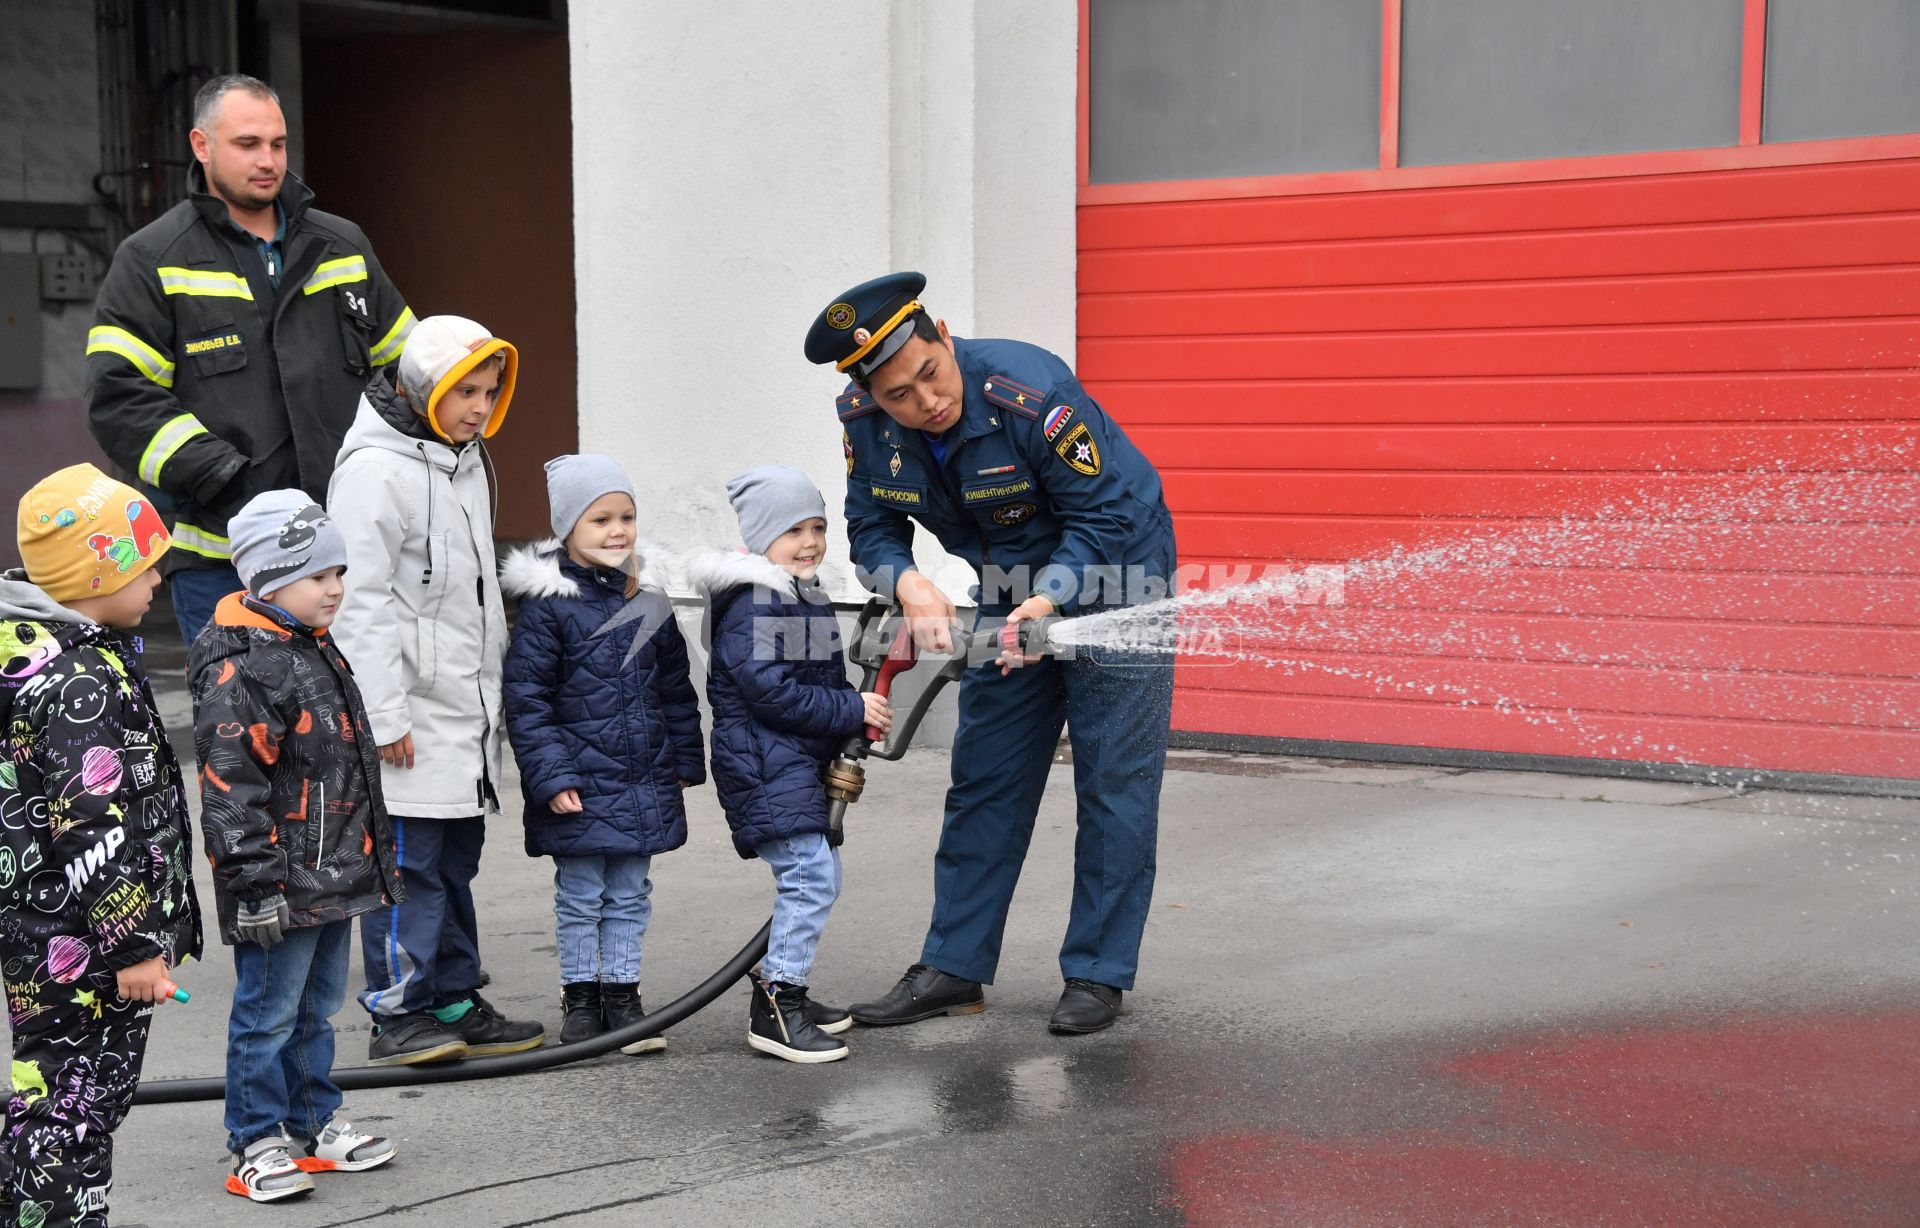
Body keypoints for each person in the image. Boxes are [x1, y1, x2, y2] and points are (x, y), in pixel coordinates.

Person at [805, 272, 1178, 1036]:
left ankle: (1097, 974)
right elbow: (870, 528)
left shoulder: (1028, 389)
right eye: (899, 396)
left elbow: (1104, 515)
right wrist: (907, 582)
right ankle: (954, 967)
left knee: (1114, 779)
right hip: (1009, 585)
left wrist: (1050, 600)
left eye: (930, 375)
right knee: (987, 774)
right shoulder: (867, 425)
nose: (925, 403)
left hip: (1119, 571)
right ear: (872, 398)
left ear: (943, 334)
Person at [85, 73, 415, 644]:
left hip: (346, 551)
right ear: (201, 145)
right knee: (244, 727)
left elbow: (408, 374)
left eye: (278, 144)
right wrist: (228, 481)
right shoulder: (151, 258)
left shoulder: (343, 245)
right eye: (247, 144)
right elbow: (121, 399)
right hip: (223, 560)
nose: (268, 160)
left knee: (351, 725)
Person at [327, 314, 545, 1064]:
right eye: (464, 392)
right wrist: (382, 712)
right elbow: (359, 603)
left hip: (462, 705)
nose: (479, 407)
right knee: (406, 865)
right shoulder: (373, 472)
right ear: (421, 388)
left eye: (489, 392)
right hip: (408, 710)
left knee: (453, 857)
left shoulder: (466, 460)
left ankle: (451, 993)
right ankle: (397, 1013)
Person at [188, 490, 406, 1202]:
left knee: (315, 1010)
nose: (336, 588)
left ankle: (317, 1121)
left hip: (335, 871)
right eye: (319, 575)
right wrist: (253, 883)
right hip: (277, 885)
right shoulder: (243, 666)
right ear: (268, 580)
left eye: (339, 572)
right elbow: (230, 785)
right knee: (268, 1013)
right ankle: (256, 1138)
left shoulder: (310, 645)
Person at [0, 463, 203, 1224]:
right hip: (81, 948)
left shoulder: (66, 655)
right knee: (73, 1111)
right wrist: (135, 949)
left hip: (53, 932)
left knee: (52, 1099)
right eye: (141, 560)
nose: (157, 576)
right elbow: (91, 827)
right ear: (92, 575)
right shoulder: (79, 681)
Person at [688, 465, 893, 1063]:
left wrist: (850, 716)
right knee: (809, 879)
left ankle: (788, 990)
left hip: (789, 763)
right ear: (758, 538)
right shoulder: (756, 603)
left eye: (818, 527)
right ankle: (777, 1004)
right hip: (763, 765)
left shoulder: (796, 594)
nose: (809, 542)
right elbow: (771, 693)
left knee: (816, 878)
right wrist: (849, 706)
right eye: (793, 530)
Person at [500, 454, 705, 1051]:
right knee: (583, 892)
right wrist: (549, 775)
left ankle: (623, 996)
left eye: (626, 517)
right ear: (567, 529)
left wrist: (685, 759)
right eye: (600, 520)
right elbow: (528, 699)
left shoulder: (649, 600)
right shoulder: (548, 607)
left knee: (631, 891)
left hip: (642, 778)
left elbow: (674, 687)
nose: (617, 531)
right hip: (580, 782)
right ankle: (581, 998)